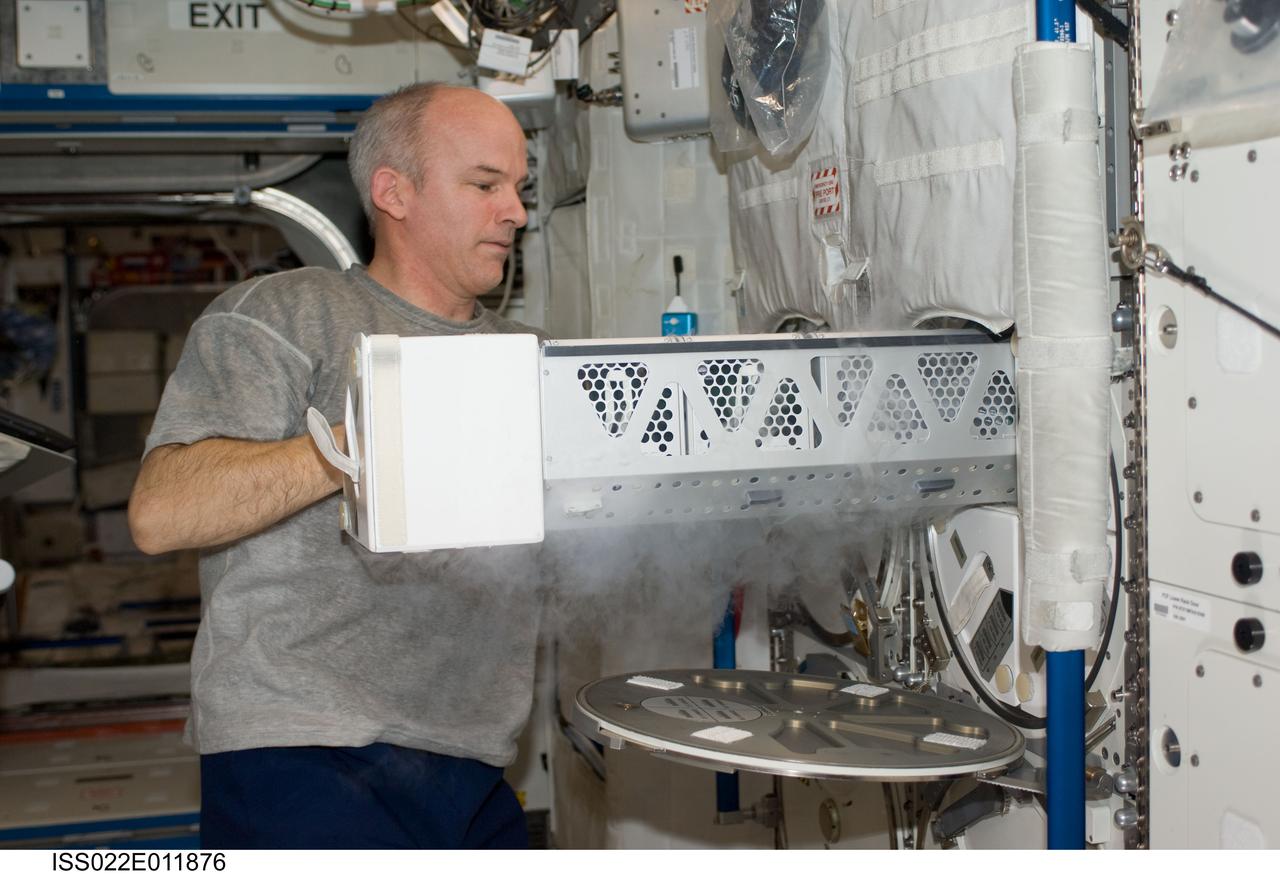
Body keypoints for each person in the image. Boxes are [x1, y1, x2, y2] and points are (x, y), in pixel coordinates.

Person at [128, 83, 544, 849]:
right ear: (395, 191)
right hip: (302, 753)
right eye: (486, 185)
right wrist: (361, 443)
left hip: (474, 761)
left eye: (521, 188)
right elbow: (163, 513)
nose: (515, 211)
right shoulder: (284, 315)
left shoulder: (527, 359)